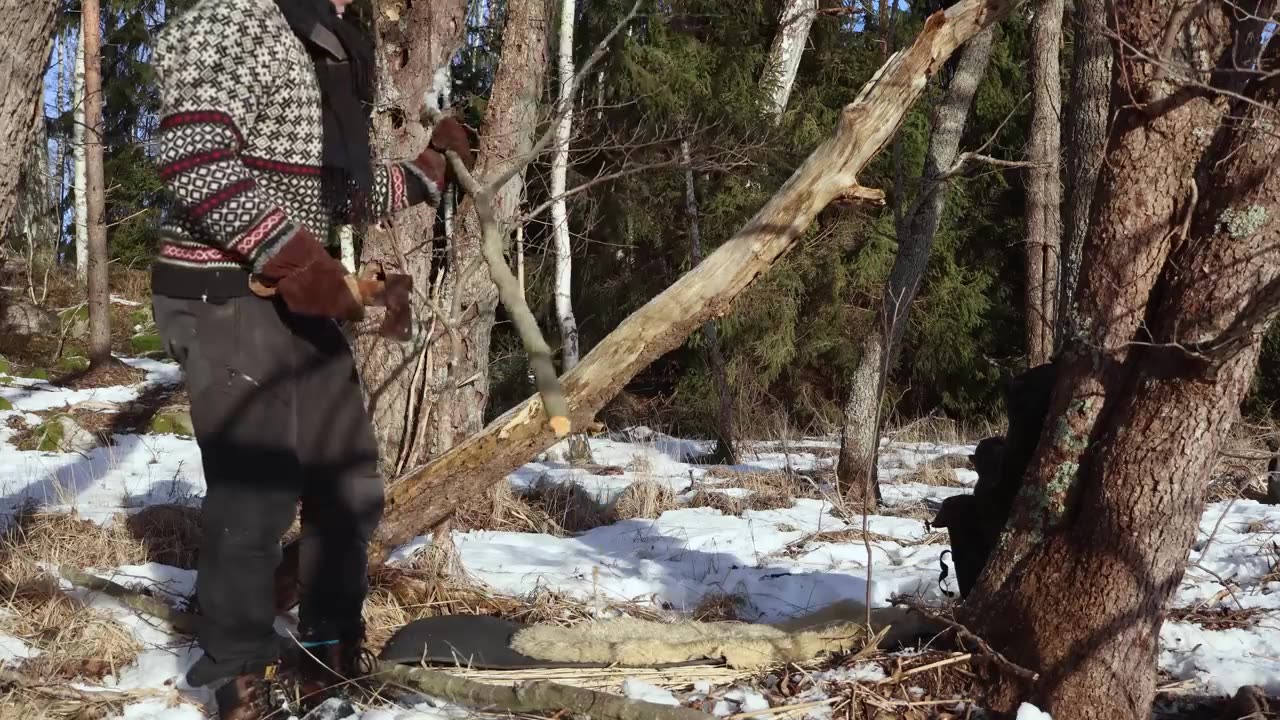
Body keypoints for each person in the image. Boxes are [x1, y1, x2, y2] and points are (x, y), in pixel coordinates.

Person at [148, 0, 473, 716]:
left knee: (349, 481)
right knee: (257, 489)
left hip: (292, 294)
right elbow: (195, 159)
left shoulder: (324, 43)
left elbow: (333, 189)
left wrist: (429, 167)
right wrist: (298, 260)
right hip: (219, 290)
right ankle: (234, 673)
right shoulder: (235, 19)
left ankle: (329, 654)